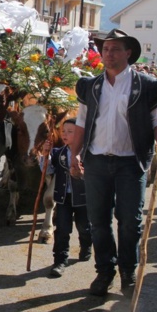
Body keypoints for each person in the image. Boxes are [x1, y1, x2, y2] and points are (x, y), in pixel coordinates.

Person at [70, 29, 157, 297]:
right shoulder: (91, 86)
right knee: (98, 221)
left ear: (128, 53)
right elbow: (82, 121)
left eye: (115, 49)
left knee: (130, 220)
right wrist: (75, 154)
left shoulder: (148, 86)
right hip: (97, 161)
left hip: (131, 163)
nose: (109, 54)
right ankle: (105, 271)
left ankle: (128, 270)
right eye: (105, 49)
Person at [40, 118, 92, 278]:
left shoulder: (88, 153)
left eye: (70, 132)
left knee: (84, 226)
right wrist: (45, 155)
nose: (65, 134)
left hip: (83, 198)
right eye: (63, 131)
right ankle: (60, 261)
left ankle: (86, 245)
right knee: (62, 229)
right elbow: (46, 170)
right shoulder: (58, 153)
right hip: (63, 198)